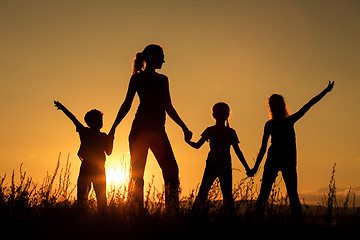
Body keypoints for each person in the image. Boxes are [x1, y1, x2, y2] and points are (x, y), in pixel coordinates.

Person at [109, 44, 192, 212]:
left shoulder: (163, 80)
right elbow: (127, 104)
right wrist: (113, 128)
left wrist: (184, 127)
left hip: (158, 131)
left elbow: (168, 106)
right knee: (137, 174)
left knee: (171, 170)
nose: (163, 60)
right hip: (139, 130)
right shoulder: (137, 78)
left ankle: (172, 212)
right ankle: (137, 213)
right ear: (150, 58)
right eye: (161, 56)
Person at [248, 81, 335, 219]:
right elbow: (263, 147)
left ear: (281, 106)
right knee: (266, 194)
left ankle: (296, 222)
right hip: (275, 161)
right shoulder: (271, 124)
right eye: (273, 104)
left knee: (291, 195)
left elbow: (309, 104)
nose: (274, 107)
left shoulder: (288, 121)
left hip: (287, 161)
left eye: (276, 104)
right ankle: (256, 221)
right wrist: (255, 168)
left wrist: (325, 91)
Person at [186, 102, 251, 214]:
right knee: (226, 195)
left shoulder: (212, 130)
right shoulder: (229, 132)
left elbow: (197, 146)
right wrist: (247, 168)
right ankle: (229, 217)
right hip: (223, 165)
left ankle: (195, 215)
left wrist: (187, 140)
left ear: (213, 115)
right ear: (227, 115)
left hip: (214, 164)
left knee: (204, 192)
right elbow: (238, 151)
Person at [54, 101, 114, 210]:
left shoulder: (104, 136)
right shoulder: (85, 132)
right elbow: (73, 119)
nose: (100, 122)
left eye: (100, 120)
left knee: (101, 198)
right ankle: (83, 216)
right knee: (82, 197)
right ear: (90, 122)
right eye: (97, 120)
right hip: (87, 167)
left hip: (99, 169)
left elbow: (109, 152)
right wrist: (63, 108)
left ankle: (102, 217)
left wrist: (111, 137)